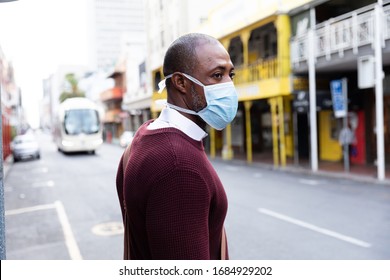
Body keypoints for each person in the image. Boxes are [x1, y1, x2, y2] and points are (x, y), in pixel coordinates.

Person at [116, 33, 238, 260]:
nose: (229, 86)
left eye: (230, 75)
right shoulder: (178, 167)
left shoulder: (144, 135)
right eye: (217, 75)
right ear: (181, 82)